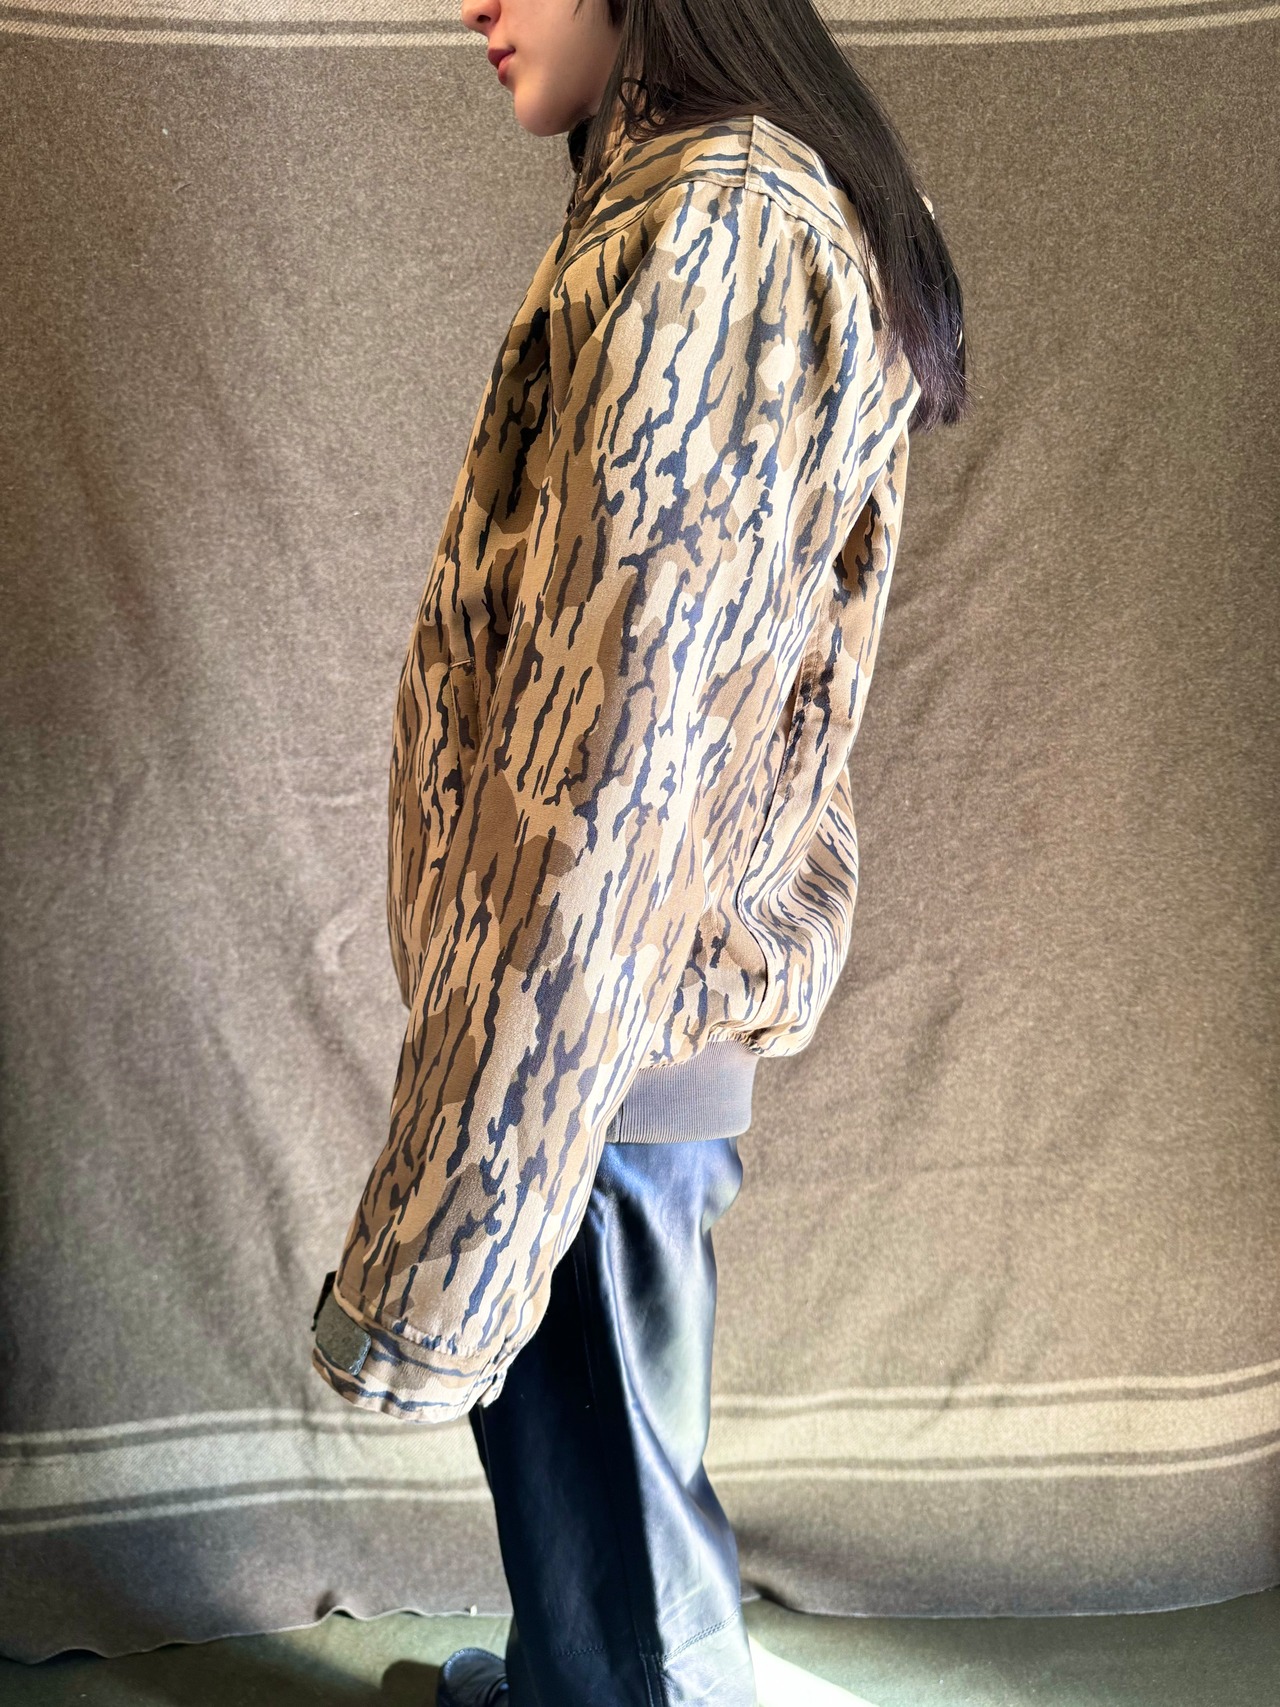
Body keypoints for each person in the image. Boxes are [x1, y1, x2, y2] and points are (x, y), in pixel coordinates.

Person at [309, 2, 969, 1703]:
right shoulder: (695, 204)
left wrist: (498, 1122)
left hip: (585, 1027)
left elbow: (615, 755)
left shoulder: (716, 229)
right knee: (590, 1518)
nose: (475, 1)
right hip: (593, 1013)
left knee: (626, 1563)